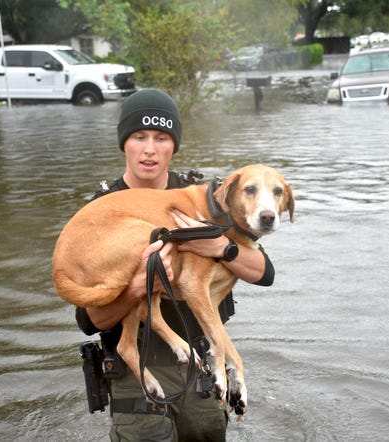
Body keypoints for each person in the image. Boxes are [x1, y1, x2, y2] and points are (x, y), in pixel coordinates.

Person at [75, 88, 275, 441]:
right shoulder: (104, 207)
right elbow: (89, 320)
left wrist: (220, 246)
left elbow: (263, 272)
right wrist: (140, 285)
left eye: (162, 138)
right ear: (125, 143)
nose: (150, 149)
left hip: (200, 362)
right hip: (136, 370)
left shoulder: (200, 195)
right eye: (139, 136)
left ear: (174, 146)